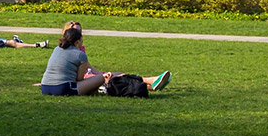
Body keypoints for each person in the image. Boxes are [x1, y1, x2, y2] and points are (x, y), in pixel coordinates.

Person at [39, 23, 171, 95]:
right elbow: (79, 79)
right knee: (106, 76)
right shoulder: (80, 54)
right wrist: (101, 77)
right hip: (63, 89)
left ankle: (149, 85)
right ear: (78, 40)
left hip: (46, 88)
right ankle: (149, 81)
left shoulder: (57, 49)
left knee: (107, 77)